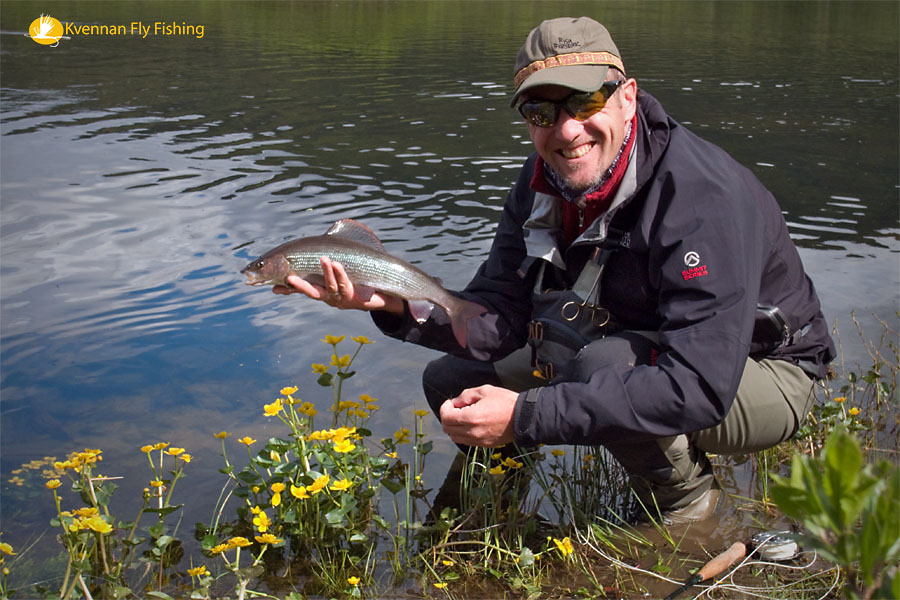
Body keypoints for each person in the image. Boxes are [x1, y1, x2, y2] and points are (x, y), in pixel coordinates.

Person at [275, 16, 835, 523]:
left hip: (756, 370)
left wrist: (527, 415)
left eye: (585, 102)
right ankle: (494, 504)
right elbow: (499, 315)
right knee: (453, 380)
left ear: (627, 98)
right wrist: (396, 304)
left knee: (601, 367)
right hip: (639, 339)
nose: (566, 131)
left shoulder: (700, 197)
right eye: (541, 112)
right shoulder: (543, 179)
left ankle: (686, 506)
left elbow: (700, 387)